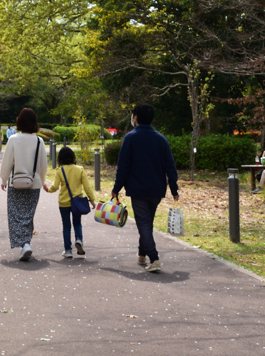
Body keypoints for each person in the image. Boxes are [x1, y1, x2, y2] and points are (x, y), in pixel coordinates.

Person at [111, 103, 179, 273]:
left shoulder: (130, 138)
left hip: (138, 189)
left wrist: (116, 187)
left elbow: (123, 166)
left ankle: (154, 258)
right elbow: (170, 166)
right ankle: (142, 254)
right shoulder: (161, 139)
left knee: (144, 223)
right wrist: (174, 189)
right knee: (146, 222)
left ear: (136, 118)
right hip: (157, 189)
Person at [0, 108, 49, 261]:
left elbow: (7, 161)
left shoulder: (13, 139)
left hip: (16, 183)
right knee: (28, 215)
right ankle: (26, 243)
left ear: (19, 121)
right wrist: (42, 180)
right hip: (33, 184)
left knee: (15, 215)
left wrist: (3, 179)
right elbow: (43, 165)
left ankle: (23, 245)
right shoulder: (39, 141)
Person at [45, 146, 97, 259]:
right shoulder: (80, 170)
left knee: (66, 226)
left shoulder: (60, 171)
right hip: (77, 203)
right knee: (77, 223)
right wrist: (92, 200)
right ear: (73, 157)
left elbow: (54, 187)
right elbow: (87, 187)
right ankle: (79, 240)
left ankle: (68, 250)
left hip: (63, 203)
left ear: (60, 159)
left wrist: (47, 189)